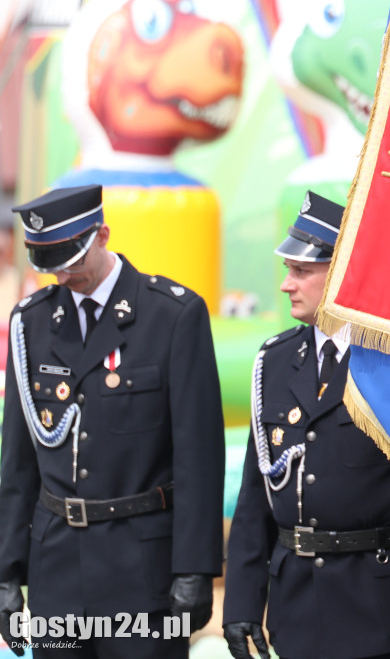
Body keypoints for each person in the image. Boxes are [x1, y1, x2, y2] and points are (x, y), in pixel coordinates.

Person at [0, 184, 224, 658]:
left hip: (140, 566)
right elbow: (17, 463)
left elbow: (199, 457)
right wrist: (6, 572)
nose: (62, 275)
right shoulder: (32, 322)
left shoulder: (171, 315)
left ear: (102, 235)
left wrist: (194, 569)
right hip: (56, 566)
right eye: (50, 264)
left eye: (71, 260)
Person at [222, 191, 390, 659]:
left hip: (381, 607)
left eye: (301, 271)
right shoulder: (275, 361)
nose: (286, 285)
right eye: (288, 269)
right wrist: (242, 603)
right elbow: (256, 496)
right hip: (297, 610)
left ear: (343, 273)